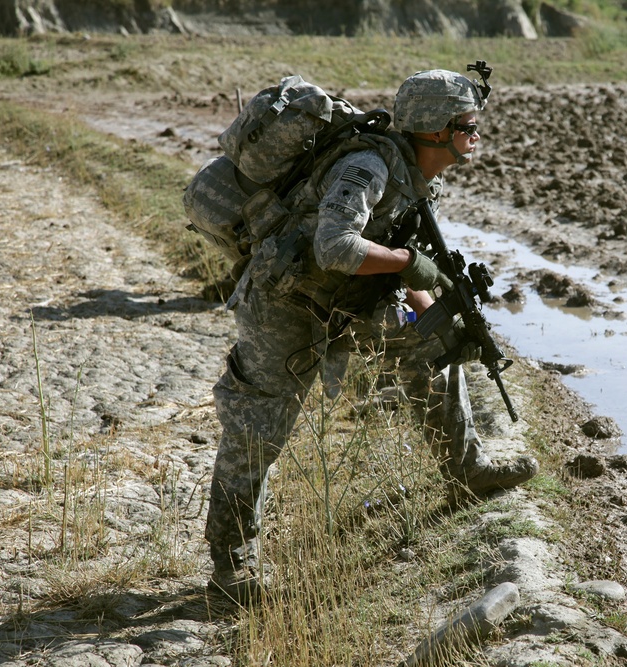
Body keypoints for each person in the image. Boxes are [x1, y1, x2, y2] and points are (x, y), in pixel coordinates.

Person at [204, 67, 539, 604]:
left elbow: (401, 270)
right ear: (436, 128)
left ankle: (466, 470)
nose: (476, 134)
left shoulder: (415, 174)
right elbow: (334, 248)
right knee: (256, 429)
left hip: (351, 300)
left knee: (436, 344)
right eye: (468, 124)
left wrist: (441, 319)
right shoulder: (368, 167)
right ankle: (231, 572)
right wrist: (411, 265)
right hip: (285, 304)